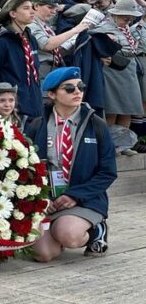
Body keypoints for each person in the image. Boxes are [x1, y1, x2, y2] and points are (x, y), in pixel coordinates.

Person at [28, 67, 115, 261]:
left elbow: (108, 172)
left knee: (69, 236)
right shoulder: (37, 125)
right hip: (49, 201)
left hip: (84, 199)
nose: (78, 92)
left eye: (80, 87)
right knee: (43, 254)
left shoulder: (97, 124)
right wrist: (42, 198)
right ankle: (58, 230)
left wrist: (75, 196)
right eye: (69, 88)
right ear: (51, 94)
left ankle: (96, 230)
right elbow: (28, 168)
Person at [0, 0, 43, 119]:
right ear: (13, 13)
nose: (32, 11)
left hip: (35, 105)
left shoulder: (31, 39)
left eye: (32, 8)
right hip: (12, 109)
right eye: (26, 8)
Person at [96, 0, 145, 131]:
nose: (128, 21)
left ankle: (124, 144)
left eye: (130, 18)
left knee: (128, 108)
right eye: (125, 18)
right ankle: (111, 145)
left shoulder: (126, 27)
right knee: (112, 109)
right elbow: (91, 40)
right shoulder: (104, 28)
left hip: (129, 68)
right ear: (115, 15)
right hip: (113, 70)